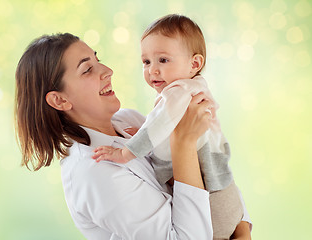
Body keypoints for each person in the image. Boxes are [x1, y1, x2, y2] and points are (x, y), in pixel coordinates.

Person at [14, 32, 251, 239]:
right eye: (87, 69)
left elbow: (210, 163)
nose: (107, 71)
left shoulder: (130, 121)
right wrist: (184, 143)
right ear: (60, 100)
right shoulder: (94, 172)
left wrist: (242, 227)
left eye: (98, 60)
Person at [92, 14, 251, 239]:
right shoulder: (196, 88)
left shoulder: (176, 93)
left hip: (211, 203)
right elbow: (166, 128)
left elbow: (159, 124)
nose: (152, 70)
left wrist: (125, 152)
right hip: (228, 198)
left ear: (195, 63)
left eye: (163, 60)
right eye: (146, 62)